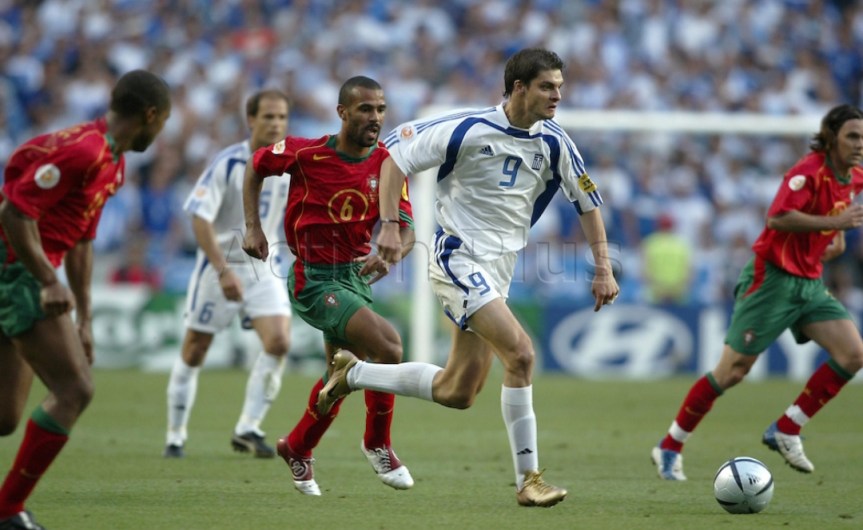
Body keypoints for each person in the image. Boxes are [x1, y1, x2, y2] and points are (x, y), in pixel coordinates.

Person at [316, 48, 620, 507]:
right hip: (456, 257)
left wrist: (603, 267)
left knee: (458, 391)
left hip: (500, 269)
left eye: (559, 86)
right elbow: (393, 156)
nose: (557, 95)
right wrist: (391, 224)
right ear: (519, 88)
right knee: (521, 354)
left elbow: (588, 202)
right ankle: (529, 480)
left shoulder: (556, 142)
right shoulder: (466, 127)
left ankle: (354, 372)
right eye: (547, 86)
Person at [651, 103, 863, 481]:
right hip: (772, 280)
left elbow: (836, 214)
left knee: (853, 354)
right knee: (732, 371)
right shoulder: (807, 172)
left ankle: (788, 427)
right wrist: (836, 222)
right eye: (852, 136)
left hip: (809, 282)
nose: (859, 144)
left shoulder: (854, 177)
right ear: (832, 138)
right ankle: (670, 445)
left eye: (862, 137)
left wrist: (836, 235)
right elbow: (777, 218)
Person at [0, 70, 171, 530]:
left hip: (23, 270)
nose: (160, 133)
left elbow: (81, 241)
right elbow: (14, 211)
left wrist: (85, 317)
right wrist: (47, 280)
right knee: (75, 389)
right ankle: (7, 511)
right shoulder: (85, 150)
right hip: (15, 270)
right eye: (162, 123)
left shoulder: (112, 161)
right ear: (150, 115)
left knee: (5, 416)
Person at [243, 76, 417, 496]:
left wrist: (392, 252)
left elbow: (407, 230)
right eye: (365, 109)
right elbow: (255, 166)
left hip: (354, 279)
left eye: (380, 109)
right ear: (342, 112)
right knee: (390, 347)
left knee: (340, 376)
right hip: (315, 278)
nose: (375, 117)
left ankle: (297, 446)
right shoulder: (306, 153)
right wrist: (252, 227)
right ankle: (377, 443)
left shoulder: (388, 164)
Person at [163, 90, 293, 459]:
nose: (276, 124)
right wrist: (222, 271)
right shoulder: (228, 163)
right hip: (219, 265)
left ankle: (248, 427)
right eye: (268, 116)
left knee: (279, 342)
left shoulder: (289, 165)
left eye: (282, 117)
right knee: (195, 349)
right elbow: (199, 217)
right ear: (251, 120)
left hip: (263, 267)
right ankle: (175, 435)